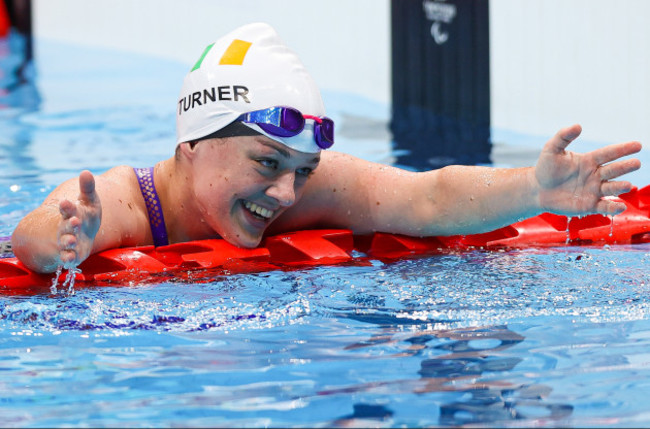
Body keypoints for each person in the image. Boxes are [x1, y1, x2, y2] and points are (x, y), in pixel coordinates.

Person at [11, 22, 642, 274]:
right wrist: (67, 239)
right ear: (194, 144)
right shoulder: (120, 201)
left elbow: (423, 199)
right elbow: (32, 236)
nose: (286, 192)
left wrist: (535, 191)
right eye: (267, 163)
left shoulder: (301, 191)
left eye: (301, 170)